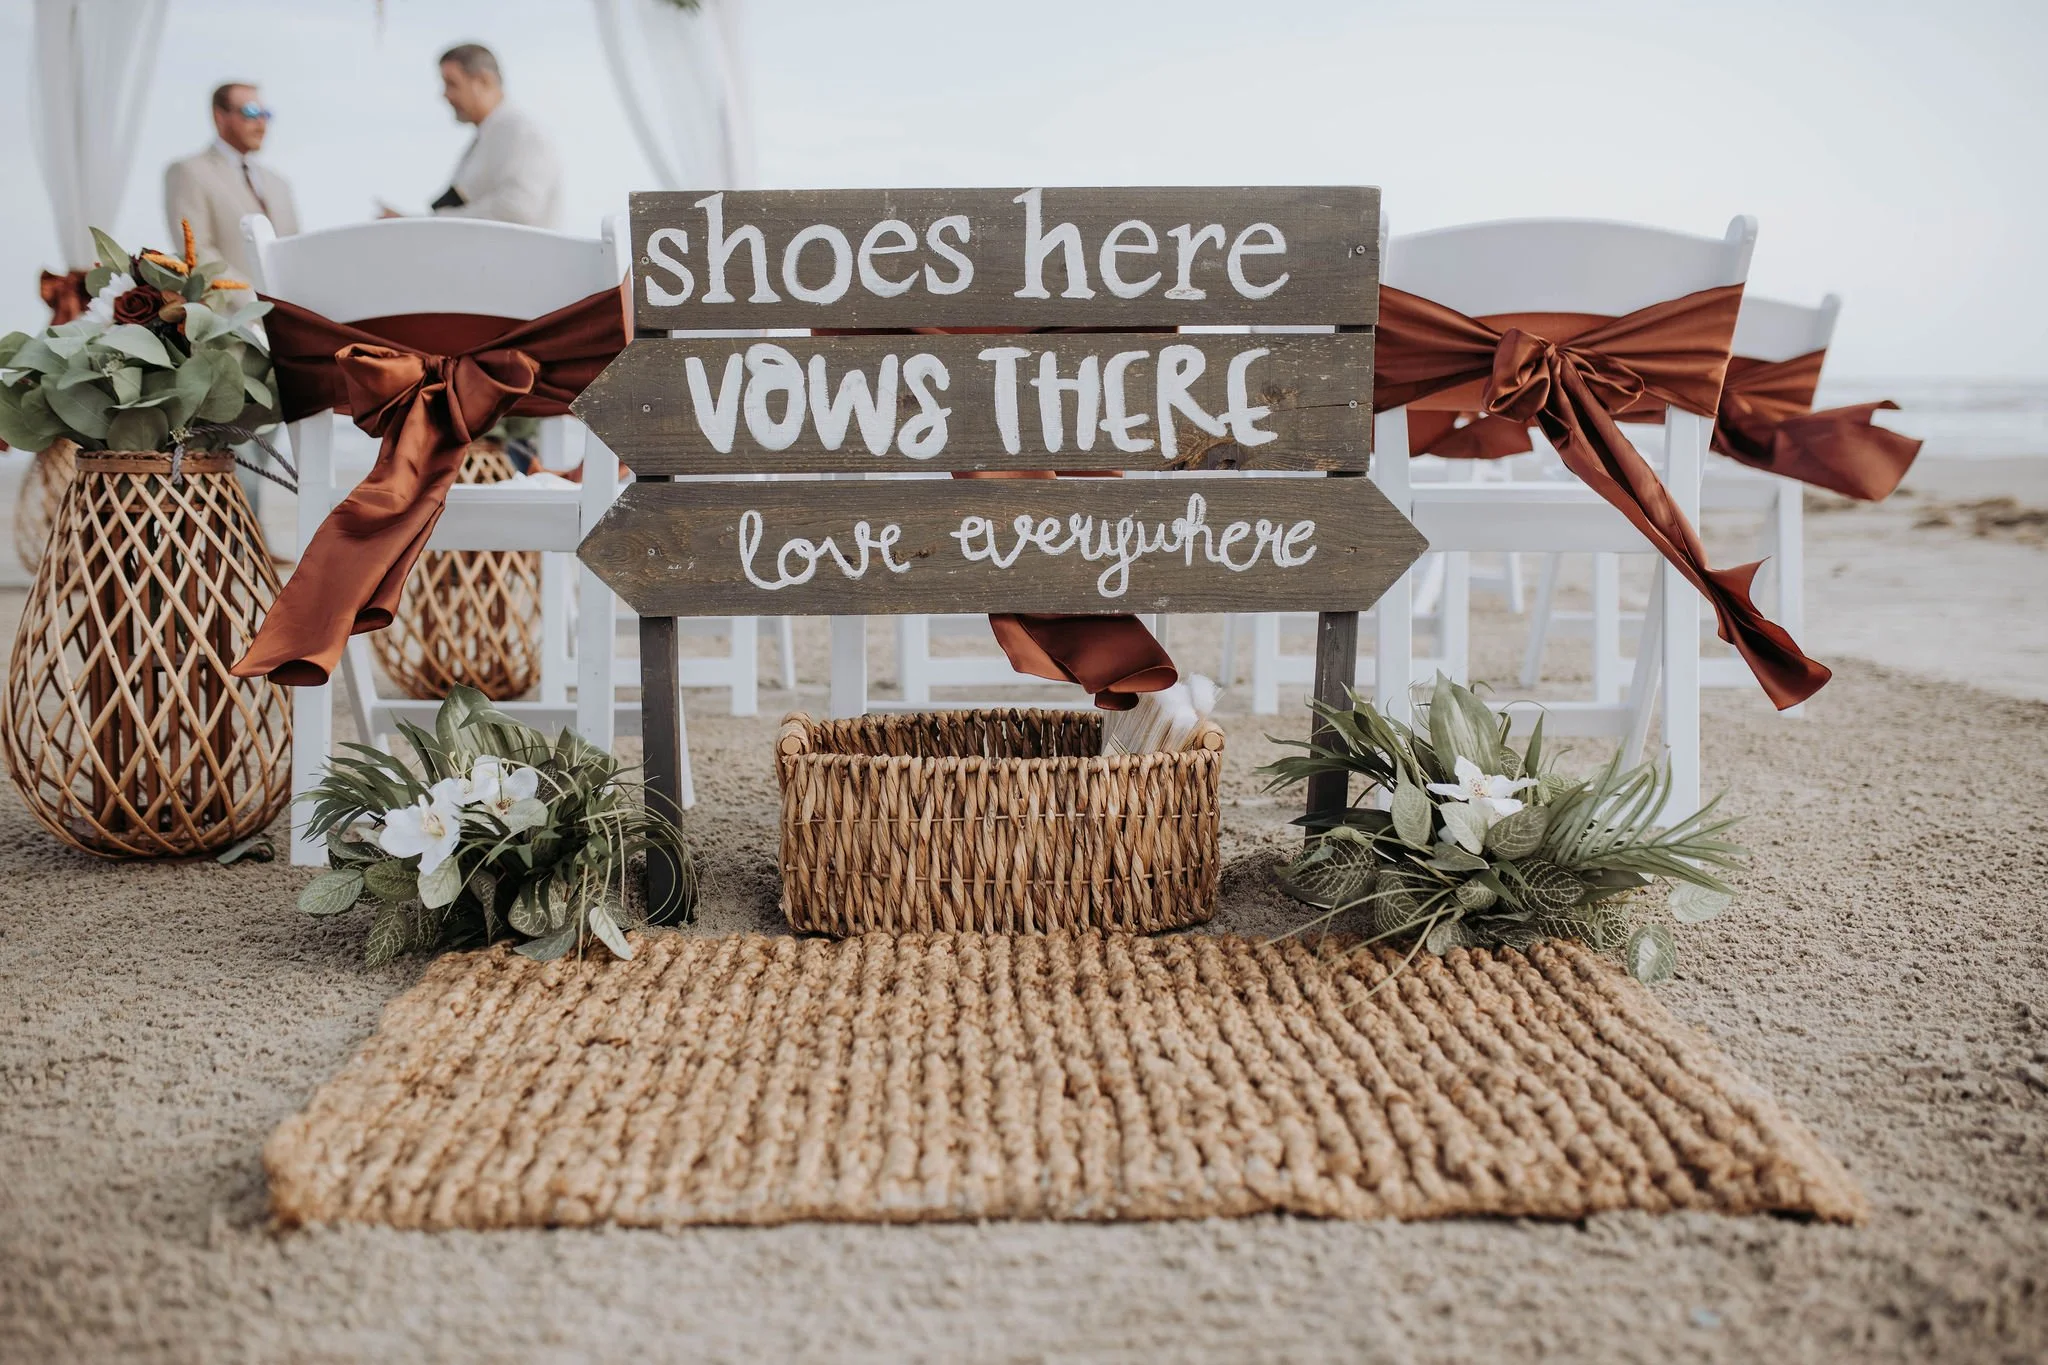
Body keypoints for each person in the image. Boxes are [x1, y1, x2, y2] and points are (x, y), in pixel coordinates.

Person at [164, 83, 299, 277]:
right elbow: (197, 252)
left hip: (291, 305)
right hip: (235, 305)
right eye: (251, 112)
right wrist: (254, 304)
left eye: (266, 114)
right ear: (220, 117)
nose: (261, 123)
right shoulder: (189, 172)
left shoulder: (279, 183)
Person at [423, 43, 563, 229]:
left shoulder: (522, 132)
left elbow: (518, 209)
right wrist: (412, 223)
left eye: (452, 84)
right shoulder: (487, 138)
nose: (445, 95)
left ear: (484, 81)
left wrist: (437, 221)